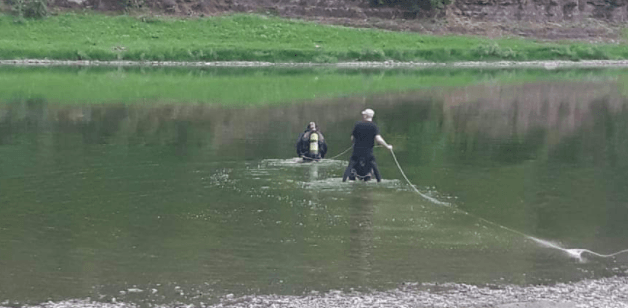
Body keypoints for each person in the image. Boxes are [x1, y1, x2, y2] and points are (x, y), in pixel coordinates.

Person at [342, 108, 392, 182]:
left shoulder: (357, 125)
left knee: (350, 166)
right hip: (368, 153)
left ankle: (344, 180)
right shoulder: (374, 126)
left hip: (357, 152)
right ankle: (379, 181)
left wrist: (355, 142)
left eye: (363, 114)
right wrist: (387, 146)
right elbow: (378, 139)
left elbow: (352, 138)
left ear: (365, 116)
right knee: (374, 166)